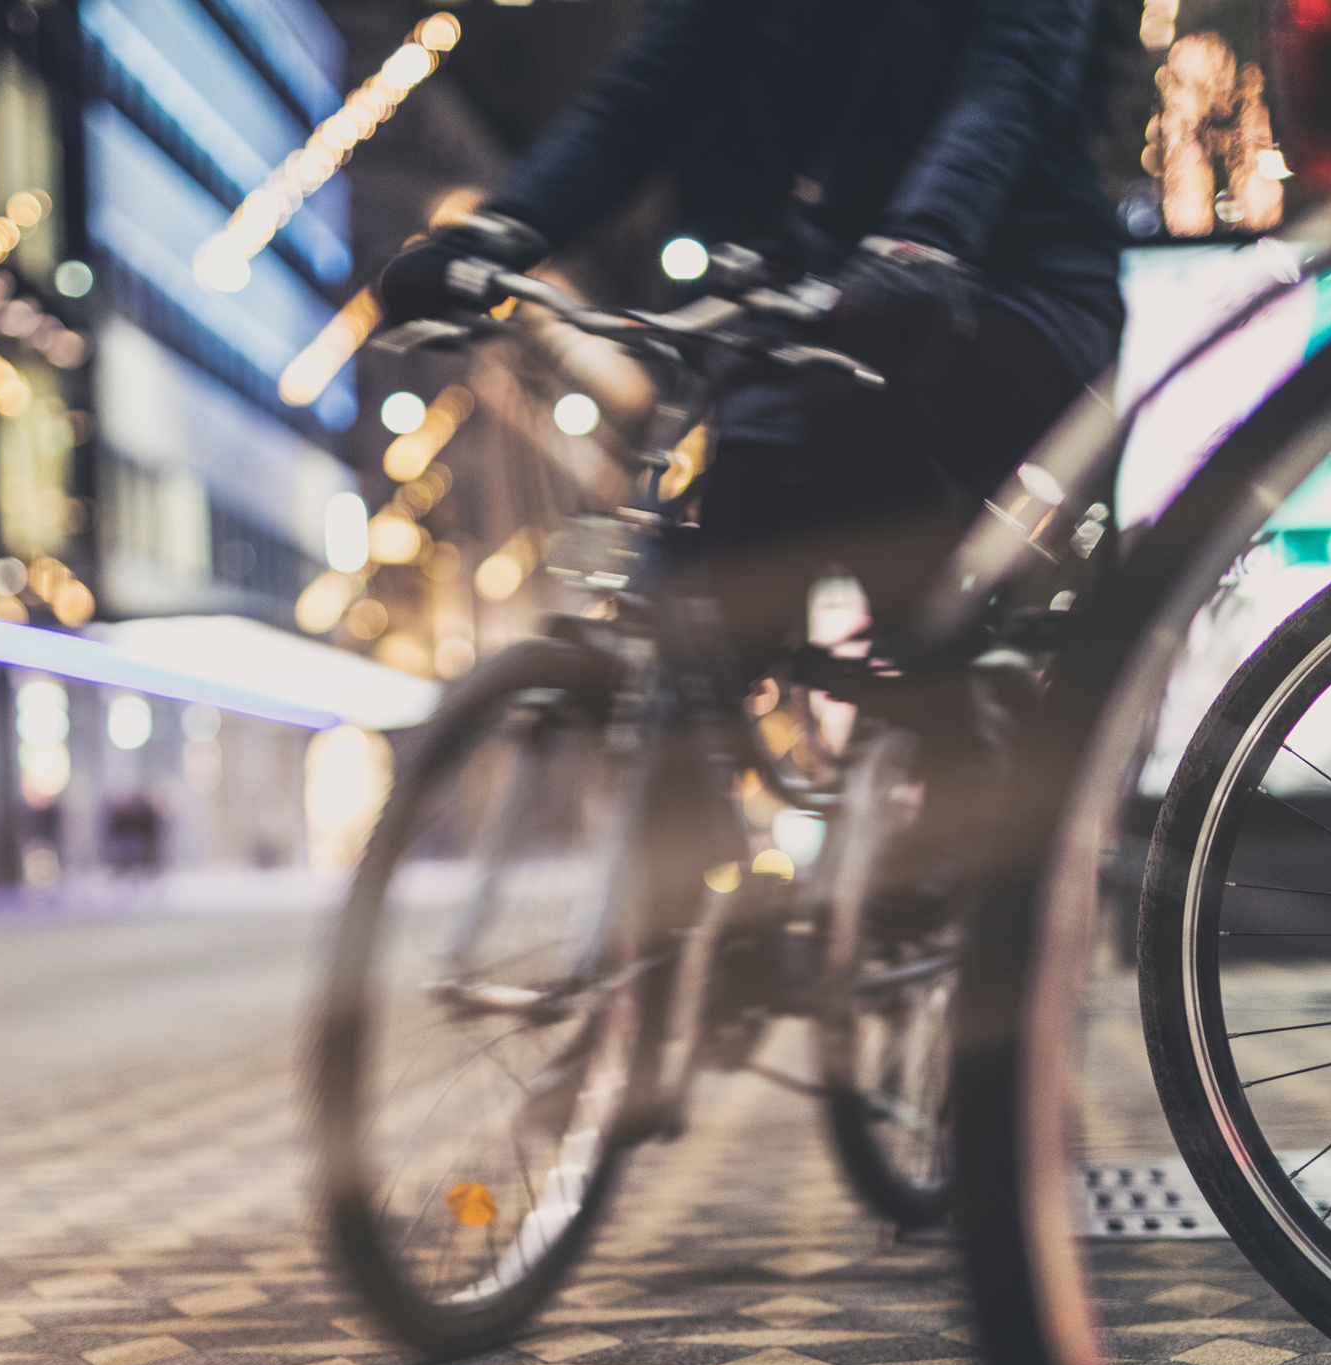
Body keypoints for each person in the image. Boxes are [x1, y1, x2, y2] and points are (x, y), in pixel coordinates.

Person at [379, 0, 1126, 899]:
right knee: (711, 575)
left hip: (1009, 284)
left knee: (913, 575)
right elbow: (640, 98)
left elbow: (1007, 84)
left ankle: (965, 834)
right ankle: (690, 933)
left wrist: (922, 238)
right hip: (842, 290)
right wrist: (500, 232)